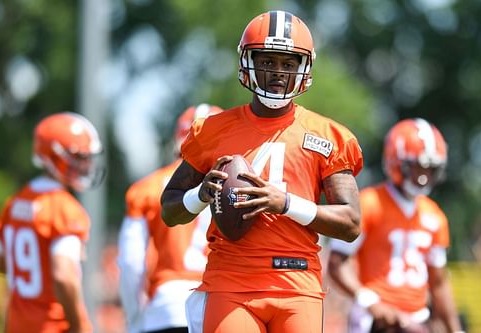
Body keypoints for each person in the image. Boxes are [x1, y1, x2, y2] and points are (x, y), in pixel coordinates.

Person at [161, 10, 363, 333]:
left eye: (288, 63)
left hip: (297, 280)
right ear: (249, 63)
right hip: (232, 278)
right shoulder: (212, 130)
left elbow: (351, 223)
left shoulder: (328, 136)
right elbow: (169, 210)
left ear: (303, 68)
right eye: (267, 61)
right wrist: (200, 196)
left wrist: (283, 202)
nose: (278, 72)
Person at [327, 118, 464, 333]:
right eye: (418, 167)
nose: (424, 176)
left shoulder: (435, 215)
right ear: (397, 162)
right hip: (374, 319)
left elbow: (439, 284)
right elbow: (337, 263)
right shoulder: (370, 203)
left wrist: (455, 330)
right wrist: (370, 301)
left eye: (430, 169)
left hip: (418, 319)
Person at [0, 112, 105, 333]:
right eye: (79, 157)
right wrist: (78, 326)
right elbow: (63, 276)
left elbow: (0, 261)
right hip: (52, 327)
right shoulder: (64, 207)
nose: (86, 165)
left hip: (16, 325)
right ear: (55, 156)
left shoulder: (14, 203)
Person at [117, 104, 223, 333]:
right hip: (220, 305)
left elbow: (131, 263)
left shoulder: (147, 188)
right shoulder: (237, 187)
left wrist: (135, 318)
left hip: (166, 306)